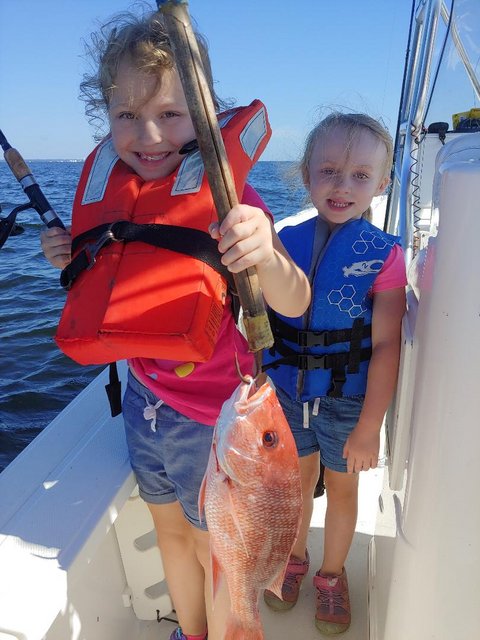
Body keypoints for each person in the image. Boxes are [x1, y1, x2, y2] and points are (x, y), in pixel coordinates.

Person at [41, 10, 310, 640]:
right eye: (126, 116)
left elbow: (294, 300)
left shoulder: (230, 200)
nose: (149, 135)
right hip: (146, 402)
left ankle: (231, 628)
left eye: (171, 114)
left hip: (216, 425)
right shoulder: (110, 196)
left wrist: (264, 252)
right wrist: (70, 254)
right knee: (167, 529)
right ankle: (190, 632)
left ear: (209, 115)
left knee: (211, 544)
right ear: (105, 117)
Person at [262, 112, 407, 635]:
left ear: (383, 183)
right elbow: (257, 320)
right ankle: (294, 559)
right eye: (329, 171)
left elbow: (387, 344)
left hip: (348, 400)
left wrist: (371, 427)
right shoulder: (282, 242)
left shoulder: (385, 256)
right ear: (306, 175)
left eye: (360, 176)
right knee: (295, 486)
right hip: (286, 393)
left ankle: (330, 574)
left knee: (343, 490)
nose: (342, 186)